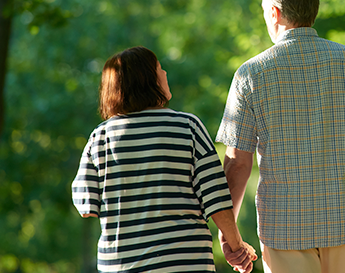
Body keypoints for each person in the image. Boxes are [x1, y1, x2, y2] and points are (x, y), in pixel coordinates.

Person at [216, 0, 345, 273]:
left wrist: (228, 234)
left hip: (283, 229)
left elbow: (237, 163)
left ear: (274, 12)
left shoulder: (250, 75)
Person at [72, 46, 257, 273]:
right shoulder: (188, 127)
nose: (165, 73)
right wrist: (236, 246)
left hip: (123, 266)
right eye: (159, 69)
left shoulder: (100, 138)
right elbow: (217, 199)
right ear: (147, 80)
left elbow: (85, 204)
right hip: (186, 264)